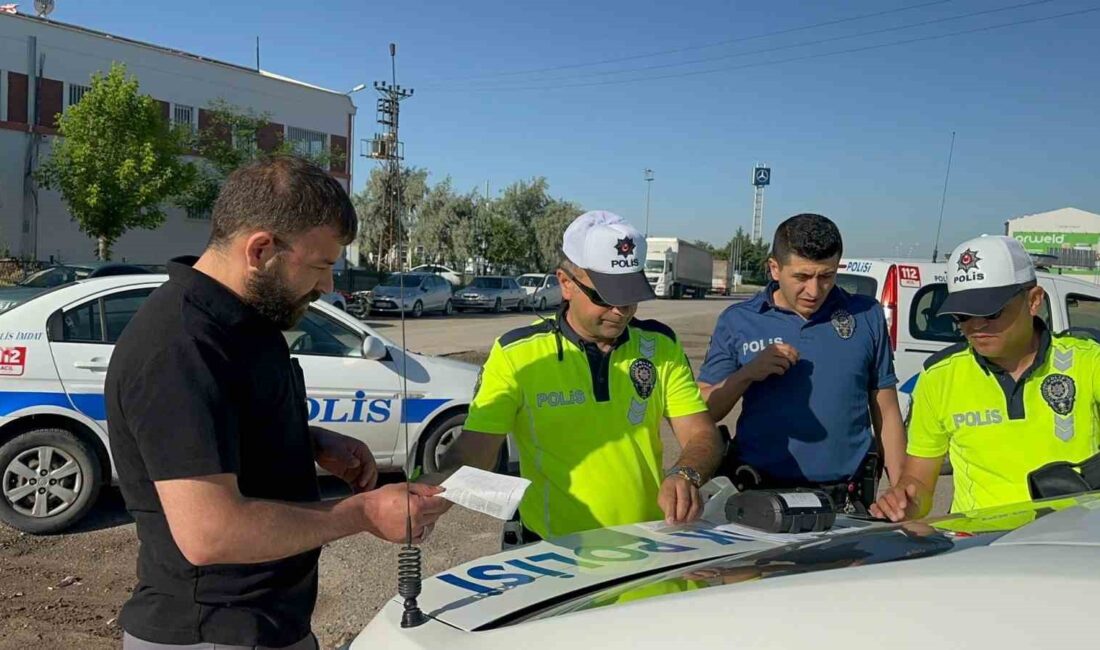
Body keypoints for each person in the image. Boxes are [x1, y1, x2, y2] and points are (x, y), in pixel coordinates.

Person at [105, 155, 448, 650]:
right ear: (261, 250)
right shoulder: (181, 345)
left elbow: (220, 426)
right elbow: (211, 533)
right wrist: (363, 513)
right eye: (322, 266)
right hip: (212, 632)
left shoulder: (248, 321)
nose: (329, 286)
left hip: (269, 624)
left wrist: (306, 441)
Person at [421, 210, 722, 543]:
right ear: (566, 283)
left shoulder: (660, 345)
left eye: (630, 296)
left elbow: (701, 434)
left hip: (647, 543)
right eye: (606, 297)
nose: (621, 311)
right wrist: (432, 486)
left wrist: (686, 474)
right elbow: (478, 445)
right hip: (553, 552)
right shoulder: (516, 353)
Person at [872, 235, 1100, 522]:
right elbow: (919, 481)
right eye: (962, 315)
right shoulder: (938, 377)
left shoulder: (1089, 361)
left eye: (991, 311)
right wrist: (903, 500)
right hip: (980, 553)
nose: (976, 325)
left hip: (1074, 547)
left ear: (1034, 300)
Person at [696, 213, 906, 511]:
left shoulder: (866, 315)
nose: (815, 290)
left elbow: (886, 410)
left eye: (826, 276)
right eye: (802, 277)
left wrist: (900, 489)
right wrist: (747, 375)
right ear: (774, 268)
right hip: (759, 497)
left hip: (845, 502)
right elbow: (705, 411)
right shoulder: (738, 320)